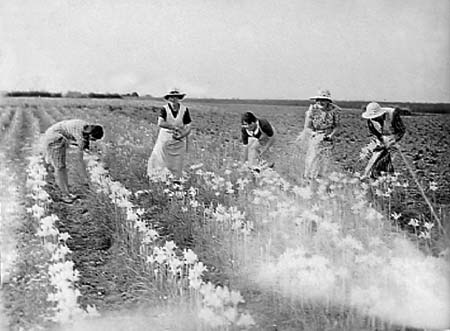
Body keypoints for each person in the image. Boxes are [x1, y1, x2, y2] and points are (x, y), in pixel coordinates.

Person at [42, 119, 104, 203]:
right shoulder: (80, 133)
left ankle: (66, 192)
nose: (93, 141)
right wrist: (85, 177)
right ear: (90, 134)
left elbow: (85, 149)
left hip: (56, 135)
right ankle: (65, 195)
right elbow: (80, 157)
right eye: (93, 139)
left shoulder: (85, 127)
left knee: (61, 166)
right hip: (54, 138)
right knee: (59, 167)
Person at [147, 89, 192, 181]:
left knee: (177, 162)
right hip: (165, 139)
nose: (174, 99)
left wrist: (182, 134)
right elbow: (160, 123)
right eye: (171, 97)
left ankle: (176, 182)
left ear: (179, 98)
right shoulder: (164, 109)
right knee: (161, 160)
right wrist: (173, 127)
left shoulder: (184, 110)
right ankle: (160, 179)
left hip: (179, 140)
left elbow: (188, 126)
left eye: (176, 97)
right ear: (168, 98)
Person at [299, 89, 341, 179]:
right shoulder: (312, 110)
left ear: (328, 101)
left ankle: (320, 181)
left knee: (325, 161)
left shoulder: (334, 111)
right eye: (319, 100)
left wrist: (331, 135)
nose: (321, 102)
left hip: (328, 138)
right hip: (316, 136)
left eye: (324, 100)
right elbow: (307, 127)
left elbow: (337, 126)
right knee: (312, 159)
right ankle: (308, 178)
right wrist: (314, 133)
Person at [361, 102, 406, 179]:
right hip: (382, 140)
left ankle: (388, 180)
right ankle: (372, 177)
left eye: (377, 117)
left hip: (395, 139)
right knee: (375, 159)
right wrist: (379, 142)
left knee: (388, 161)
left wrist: (392, 140)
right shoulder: (370, 121)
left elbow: (401, 130)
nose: (375, 118)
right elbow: (374, 134)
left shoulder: (392, 114)